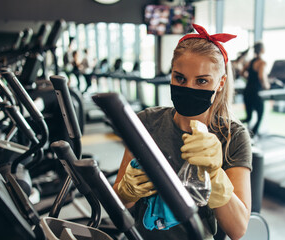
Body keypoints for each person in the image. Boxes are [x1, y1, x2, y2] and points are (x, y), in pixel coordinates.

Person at [113, 24, 252, 240]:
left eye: (202, 81)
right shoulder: (146, 122)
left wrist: (214, 176)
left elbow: (238, 229)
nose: (189, 88)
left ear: (220, 83)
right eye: (180, 78)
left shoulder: (233, 136)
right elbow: (119, 206)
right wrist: (126, 191)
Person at [241, 42, 270, 137]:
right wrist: (267, 86)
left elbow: (242, 72)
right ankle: (251, 136)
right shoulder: (262, 63)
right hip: (256, 92)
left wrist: (249, 79)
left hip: (247, 91)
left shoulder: (250, 62)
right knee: (259, 117)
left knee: (248, 118)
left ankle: (244, 133)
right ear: (262, 50)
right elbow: (261, 77)